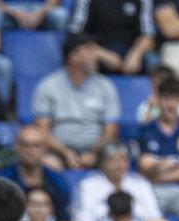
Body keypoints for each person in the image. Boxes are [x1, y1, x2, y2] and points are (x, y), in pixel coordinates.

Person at [32, 34, 121, 170]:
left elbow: (110, 130)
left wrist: (92, 153)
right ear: (74, 57)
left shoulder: (106, 86)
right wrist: (66, 153)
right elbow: (42, 130)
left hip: (97, 151)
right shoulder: (48, 86)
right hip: (58, 151)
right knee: (46, 162)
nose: (96, 56)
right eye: (89, 51)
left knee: (115, 160)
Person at [135, 75, 179, 218]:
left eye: (176, 99)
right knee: (138, 201)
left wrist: (160, 171)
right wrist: (175, 169)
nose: (171, 105)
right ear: (158, 99)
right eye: (166, 99)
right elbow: (145, 166)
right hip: (154, 191)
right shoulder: (146, 130)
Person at [0, 125, 73, 221]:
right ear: (16, 147)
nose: (31, 151)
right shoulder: (4, 182)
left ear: (45, 149)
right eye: (25, 145)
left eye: (36, 146)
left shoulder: (57, 182)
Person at [73, 142, 162, 221]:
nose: (118, 165)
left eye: (122, 160)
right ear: (102, 164)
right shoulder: (88, 187)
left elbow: (155, 220)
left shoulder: (141, 185)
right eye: (112, 160)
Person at [65, 0, 157, 75]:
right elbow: (75, 33)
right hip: (97, 50)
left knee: (152, 61)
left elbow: (148, 35)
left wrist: (136, 53)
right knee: (81, 56)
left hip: (129, 52)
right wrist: (101, 53)